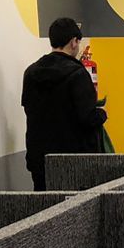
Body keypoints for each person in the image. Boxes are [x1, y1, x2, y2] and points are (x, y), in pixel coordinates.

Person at [22, 17, 107, 191]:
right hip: (74, 163)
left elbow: (29, 110)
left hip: (41, 161)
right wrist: (102, 114)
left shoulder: (30, 73)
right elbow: (87, 118)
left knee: (45, 206)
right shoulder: (78, 74)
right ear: (74, 42)